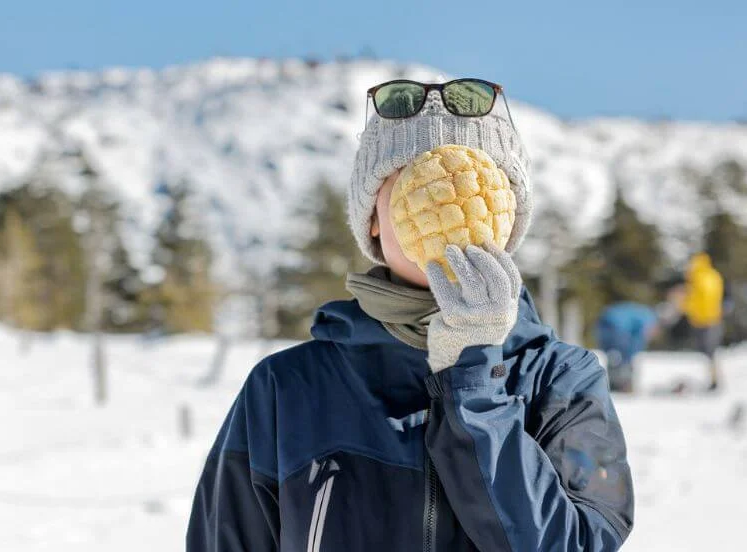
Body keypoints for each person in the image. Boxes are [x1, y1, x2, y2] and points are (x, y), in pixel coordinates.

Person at [187, 80, 633, 551]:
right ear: (373, 218)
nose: (447, 204)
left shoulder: (562, 380)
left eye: (474, 186)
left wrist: (474, 380)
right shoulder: (286, 388)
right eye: (414, 184)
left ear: (507, 217)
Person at [682, 253, 724, 391]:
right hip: (713, 318)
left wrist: (687, 308)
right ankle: (713, 379)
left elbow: (696, 299)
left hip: (705, 320)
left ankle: (714, 380)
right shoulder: (713, 275)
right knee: (709, 352)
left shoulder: (699, 278)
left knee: (708, 352)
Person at [595, 302, 659, 393]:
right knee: (625, 358)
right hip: (618, 327)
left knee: (613, 357)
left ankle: (614, 383)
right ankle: (624, 384)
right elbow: (641, 336)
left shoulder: (639, 311)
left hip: (604, 321)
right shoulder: (650, 317)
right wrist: (632, 355)